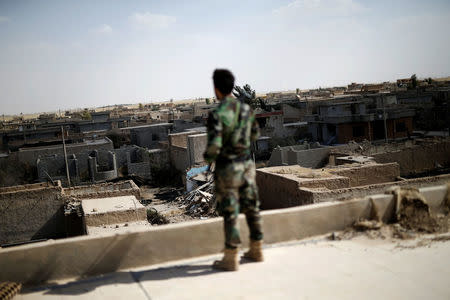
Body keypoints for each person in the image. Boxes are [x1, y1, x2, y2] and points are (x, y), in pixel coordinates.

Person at [204, 69, 264, 271]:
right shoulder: (246, 109)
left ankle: (231, 257)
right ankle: (257, 248)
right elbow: (255, 134)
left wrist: (208, 160)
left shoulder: (217, 114)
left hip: (228, 168)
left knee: (231, 211)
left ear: (216, 89)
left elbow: (214, 146)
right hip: (247, 165)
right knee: (251, 206)